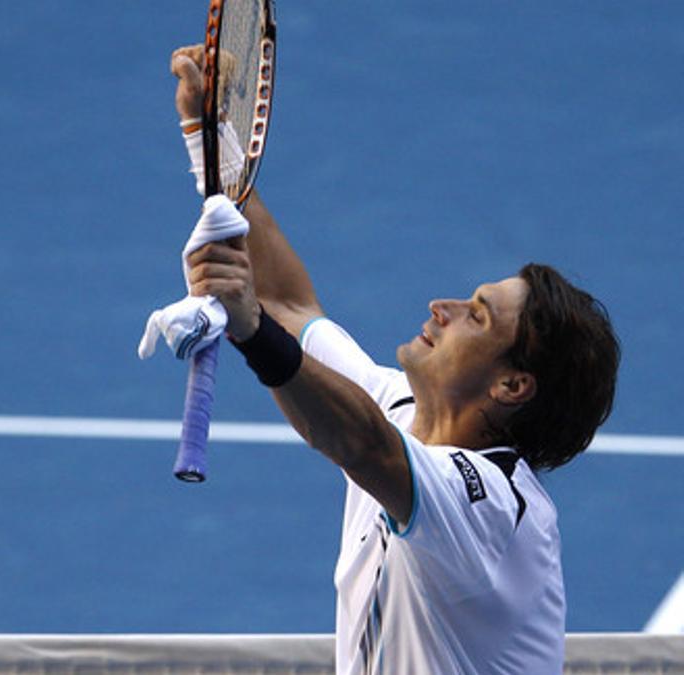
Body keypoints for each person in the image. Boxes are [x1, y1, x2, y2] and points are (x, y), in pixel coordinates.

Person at [169, 47, 620, 674]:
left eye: (478, 315)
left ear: (513, 384)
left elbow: (364, 445)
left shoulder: (493, 507)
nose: (443, 306)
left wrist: (249, 329)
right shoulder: (398, 407)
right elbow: (285, 301)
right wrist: (209, 139)